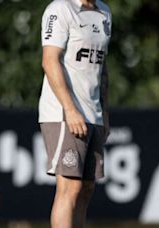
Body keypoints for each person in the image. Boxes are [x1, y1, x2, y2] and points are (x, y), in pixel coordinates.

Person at [39, 0, 111, 227]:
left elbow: (102, 68)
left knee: (86, 188)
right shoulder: (60, 9)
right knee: (70, 187)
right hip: (64, 113)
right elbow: (50, 61)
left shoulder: (104, 12)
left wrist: (104, 112)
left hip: (94, 113)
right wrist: (70, 109)